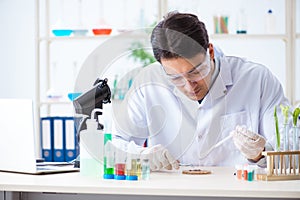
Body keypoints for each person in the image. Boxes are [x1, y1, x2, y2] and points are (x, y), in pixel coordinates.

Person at [112, 11, 289, 171]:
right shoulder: (148, 82)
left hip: (237, 193)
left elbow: (290, 150)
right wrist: (142, 156)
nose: (189, 86)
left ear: (210, 52)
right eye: (175, 78)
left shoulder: (257, 79)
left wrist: (261, 154)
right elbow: (115, 145)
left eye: (195, 72)